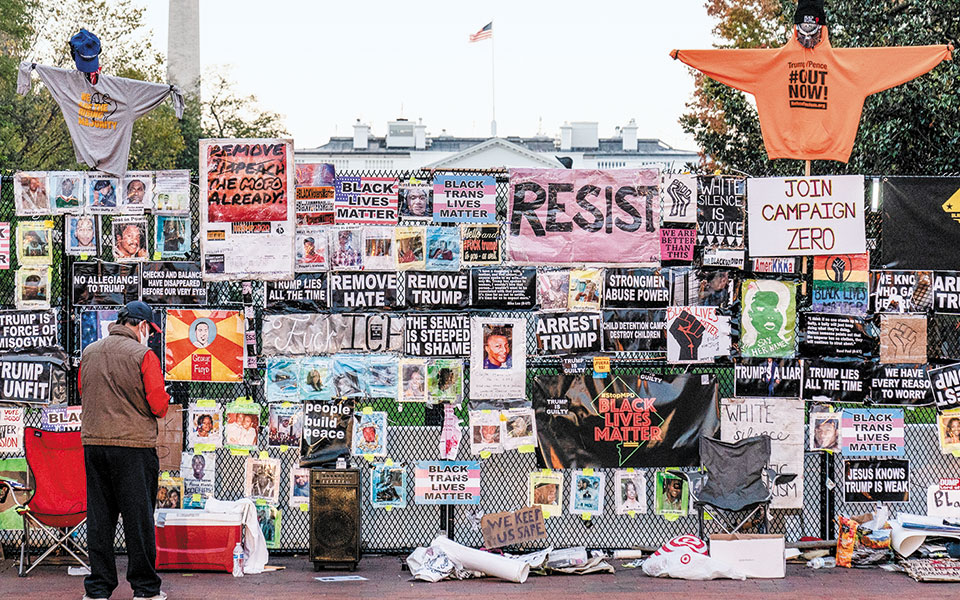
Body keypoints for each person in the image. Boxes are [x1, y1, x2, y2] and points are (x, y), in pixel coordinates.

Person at [79, 300, 169, 600]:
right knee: (138, 519)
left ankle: (98, 588)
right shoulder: (143, 355)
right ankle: (145, 589)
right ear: (141, 326)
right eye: (150, 330)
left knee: (100, 518)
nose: (151, 336)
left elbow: (84, 390)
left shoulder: (89, 353)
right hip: (133, 446)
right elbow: (158, 405)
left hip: (94, 444)